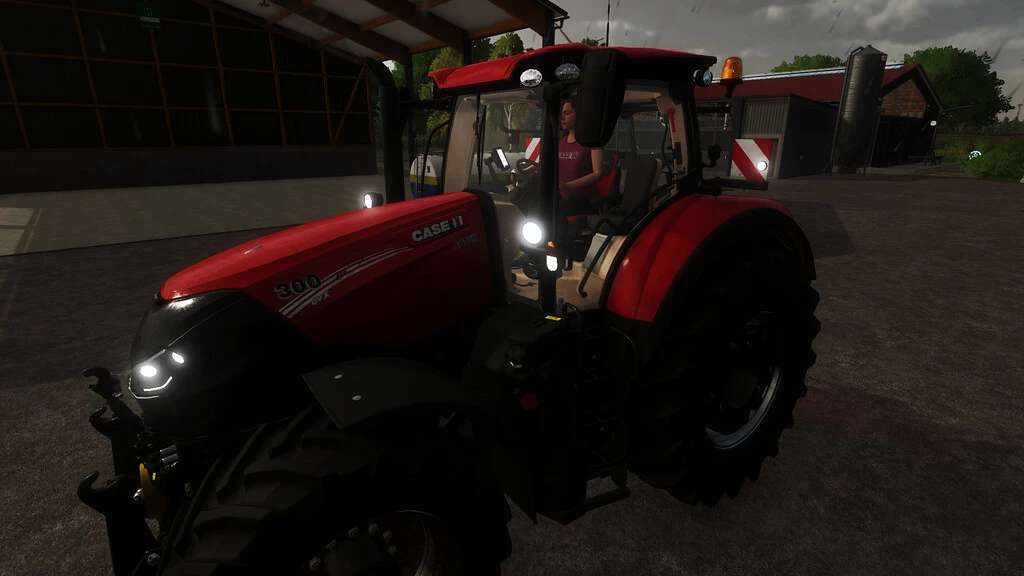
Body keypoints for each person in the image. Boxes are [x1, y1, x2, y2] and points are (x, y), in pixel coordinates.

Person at [558, 98, 604, 216]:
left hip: (585, 200)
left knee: (555, 210)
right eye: (562, 113)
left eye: (567, 113)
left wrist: (568, 186)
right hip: (563, 197)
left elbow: (598, 173)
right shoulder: (561, 142)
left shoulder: (592, 140)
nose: (562, 117)